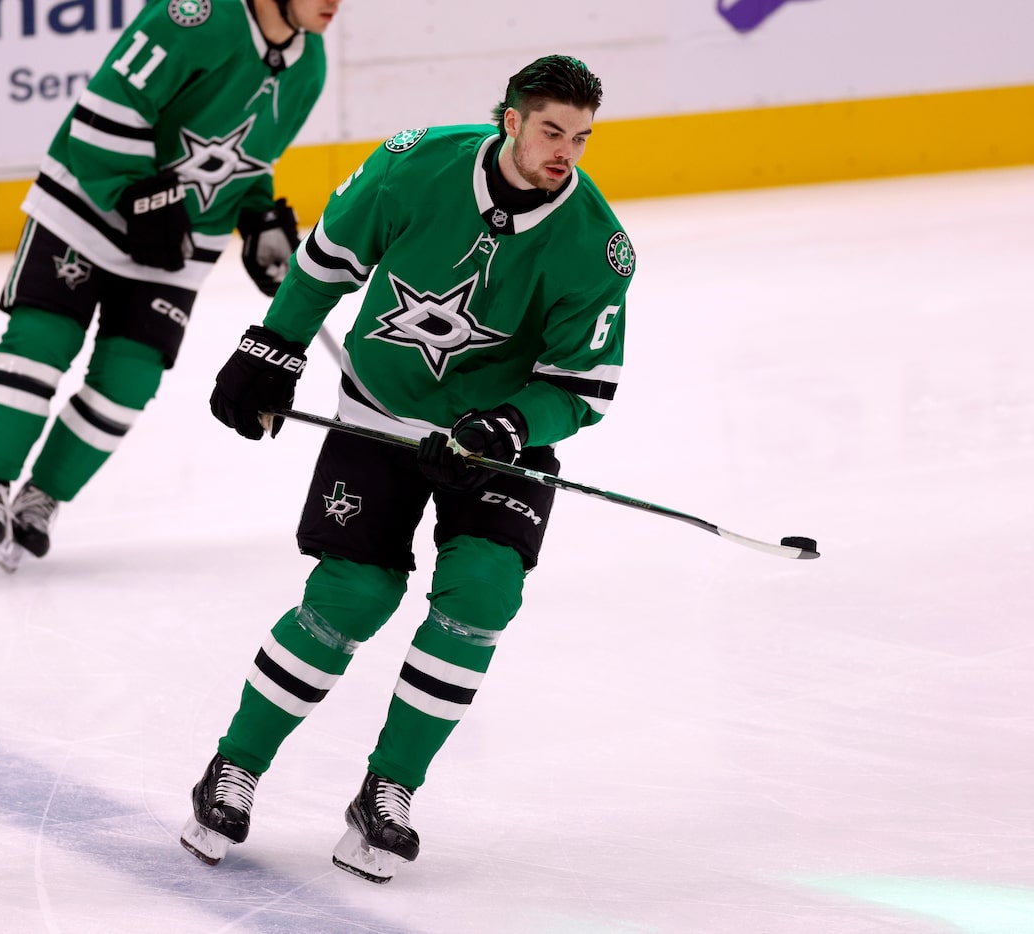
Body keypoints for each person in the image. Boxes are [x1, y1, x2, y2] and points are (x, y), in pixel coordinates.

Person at [182, 54, 636, 883]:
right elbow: (325, 259)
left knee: (483, 594)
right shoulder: (412, 163)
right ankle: (233, 766)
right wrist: (272, 344)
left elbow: (581, 389)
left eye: (580, 136)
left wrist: (508, 424)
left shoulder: (596, 248)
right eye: (549, 130)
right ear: (508, 118)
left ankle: (388, 789)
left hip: (496, 442)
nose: (564, 151)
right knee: (352, 595)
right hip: (380, 412)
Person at [0, 0, 344, 572]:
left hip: (176, 242)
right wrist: (139, 196)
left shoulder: (309, 65)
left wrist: (259, 219)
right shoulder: (197, 15)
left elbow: (249, 161)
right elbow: (108, 106)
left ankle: (42, 497)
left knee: (128, 382)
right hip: (85, 209)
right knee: (41, 344)